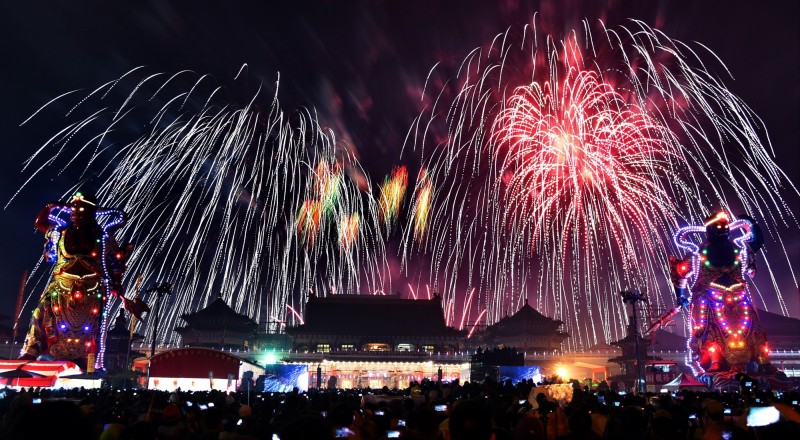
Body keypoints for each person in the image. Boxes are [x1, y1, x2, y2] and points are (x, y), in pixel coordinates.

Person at [20, 192, 131, 371]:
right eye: (73, 210)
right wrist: (51, 206)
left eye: (80, 211)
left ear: (91, 213)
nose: (75, 214)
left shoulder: (103, 238)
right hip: (61, 284)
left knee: (92, 329)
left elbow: (115, 263)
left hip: (92, 287)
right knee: (39, 314)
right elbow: (39, 223)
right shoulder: (60, 232)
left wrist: (117, 284)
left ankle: (89, 362)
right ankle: (31, 349)